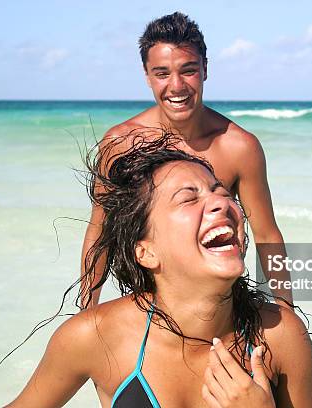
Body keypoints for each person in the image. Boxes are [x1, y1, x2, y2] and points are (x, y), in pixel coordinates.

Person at [7, 135, 312, 407]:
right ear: (146, 251)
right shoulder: (95, 337)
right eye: (189, 198)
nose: (221, 204)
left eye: (221, 192)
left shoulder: (280, 337)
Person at [80, 11, 292, 307]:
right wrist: (86, 309)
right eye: (162, 73)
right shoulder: (121, 143)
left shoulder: (239, 147)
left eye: (188, 70)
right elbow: (100, 230)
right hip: (149, 301)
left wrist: (286, 310)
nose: (176, 86)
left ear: (205, 69)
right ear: (147, 76)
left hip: (220, 301)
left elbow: (267, 234)